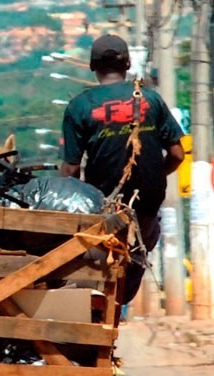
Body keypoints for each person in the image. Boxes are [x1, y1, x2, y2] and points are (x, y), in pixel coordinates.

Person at [60, 34, 185, 305]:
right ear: (128, 64)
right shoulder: (151, 99)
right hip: (147, 201)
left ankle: (100, 305)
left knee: (92, 257)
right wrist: (154, 175)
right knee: (141, 247)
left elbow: (70, 168)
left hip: (101, 201)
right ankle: (124, 292)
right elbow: (177, 154)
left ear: (92, 66)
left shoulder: (80, 106)